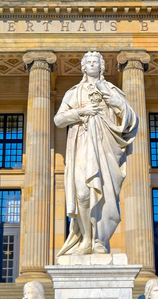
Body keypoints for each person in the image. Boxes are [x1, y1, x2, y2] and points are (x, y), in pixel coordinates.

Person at [54, 51, 137, 255]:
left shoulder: (110, 89)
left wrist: (110, 98)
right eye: (88, 62)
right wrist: (80, 112)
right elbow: (58, 120)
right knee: (82, 193)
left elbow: (129, 116)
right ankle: (86, 240)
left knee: (106, 194)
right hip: (82, 143)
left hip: (105, 146)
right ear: (83, 67)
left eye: (95, 62)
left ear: (101, 66)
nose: (92, 65)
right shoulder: (73, 92)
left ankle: (99, 240)